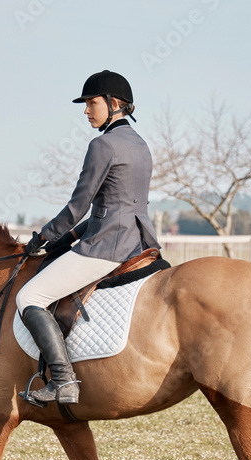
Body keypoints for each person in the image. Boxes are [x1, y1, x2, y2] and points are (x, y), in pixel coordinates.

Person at [16, 70, 161, 406]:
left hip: (108, 246)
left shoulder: (103, 145)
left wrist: (43, 237)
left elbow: (79, 204)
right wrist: (64, 240)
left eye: (91, 103)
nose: (86, 111)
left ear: (114, 104)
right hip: (140, 243)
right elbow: (114, 206)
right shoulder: (140, 145)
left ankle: (64, 381)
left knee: (30, 297)